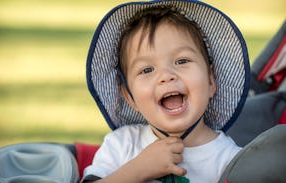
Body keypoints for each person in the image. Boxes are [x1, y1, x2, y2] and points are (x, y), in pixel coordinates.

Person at [83, 0, 250, 182]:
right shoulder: (122, 145)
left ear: (211, 81)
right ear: (130, 97)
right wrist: (138, 169)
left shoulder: (231, 160)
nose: (167, 76)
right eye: (147, 70)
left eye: (182, 61)